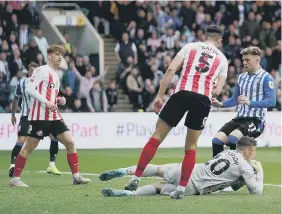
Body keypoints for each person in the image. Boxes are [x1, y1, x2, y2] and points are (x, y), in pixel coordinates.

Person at [124, 25, 228, 200]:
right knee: (190, 147)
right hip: (202, 99)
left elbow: (171, 70)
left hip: (181, 93)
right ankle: (181, 187)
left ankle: (136, 177)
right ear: (220, 40)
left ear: (204, 36)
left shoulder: (190, 47)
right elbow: (217, 90)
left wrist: (159, 96)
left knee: (156, 137)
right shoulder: (223, 59)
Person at [9, 45, 91, 187]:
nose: (60, 57)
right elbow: (29, 88)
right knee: (28, 148)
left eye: (61, 55)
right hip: (40, 118)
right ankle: (15, 179)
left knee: (70, 142)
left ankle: (76, 177)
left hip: (54, 117)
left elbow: (52, 95)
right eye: (57, 54)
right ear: (49, 56)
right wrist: (46, 102)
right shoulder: (41, 70)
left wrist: (59, 100)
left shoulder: (56, 75)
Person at [101, 136, 263, 197]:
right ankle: (126, 193)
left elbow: (231, 184)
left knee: (157, 169)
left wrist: (240, 180)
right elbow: (256, 191)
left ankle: (123, 171)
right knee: (158, 188)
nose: (254, 155)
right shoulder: (245, 166)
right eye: (253, 151)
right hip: (194, 186)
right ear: (247, 151)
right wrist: (259, 171)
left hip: (188, 169)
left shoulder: (226, 153)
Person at [211, 46, 276, 158]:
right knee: (217, 140)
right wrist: (221, 104)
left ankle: (238, 169)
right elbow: (235, 99)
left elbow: (272, 101)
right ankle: (219, 169)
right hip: (239, 119)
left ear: (257, 60)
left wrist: (250, 103)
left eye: (247, 60)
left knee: (233, 138)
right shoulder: (241, 77)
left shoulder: (266, 78)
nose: (244, 62)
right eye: (243, 60)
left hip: (256, 121)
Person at [9, 63, 61, 178]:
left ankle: (52, 165)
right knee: (22, 140)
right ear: (28, 72)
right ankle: (13, 166)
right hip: (26, 116)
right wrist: (13, 115)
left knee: (54, 137)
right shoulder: (22, 83)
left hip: (41, 116)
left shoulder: (43, 83)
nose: (34, 73)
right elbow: (15, 99)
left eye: (36, 71)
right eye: (32, 71)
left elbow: (49, 98)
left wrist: (58, 99)